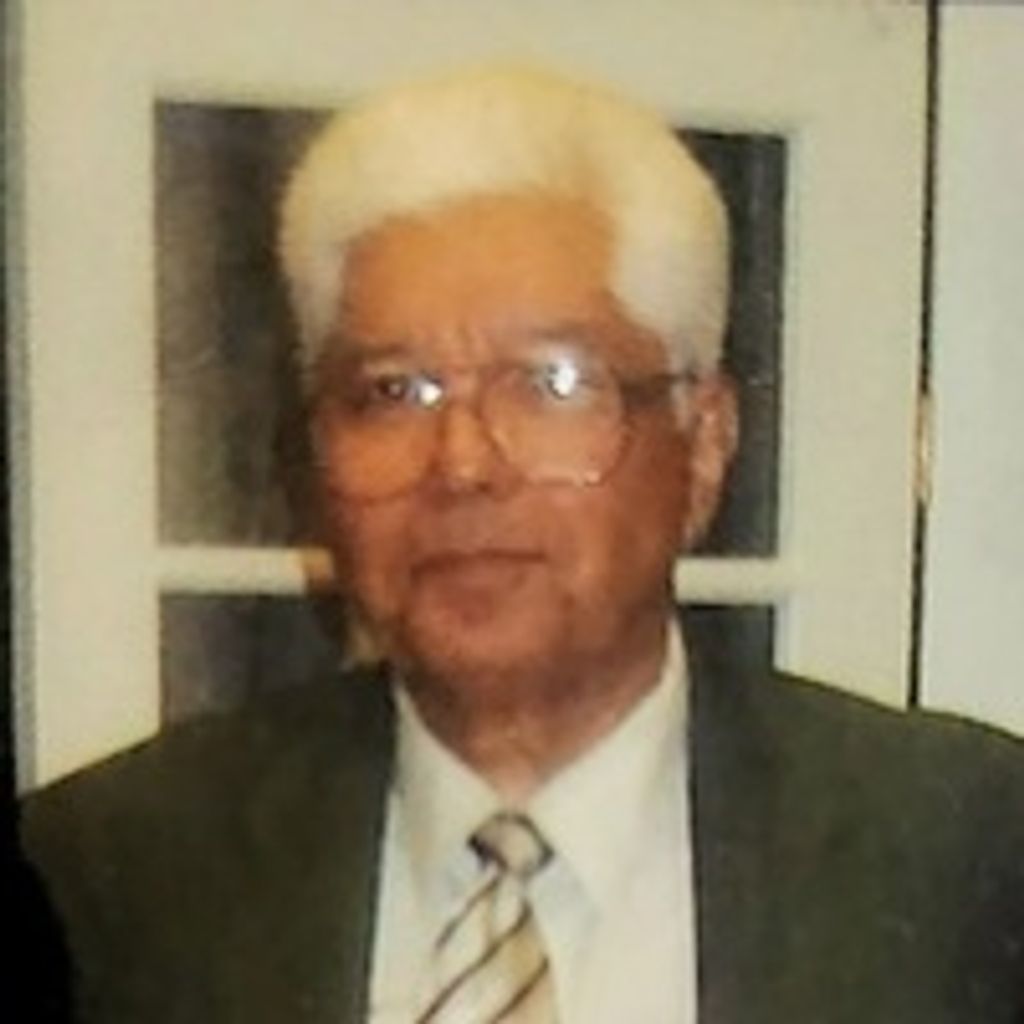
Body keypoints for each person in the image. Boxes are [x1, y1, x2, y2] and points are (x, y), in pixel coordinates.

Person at [20, 65, 1024, 1024]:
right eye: (392, 392)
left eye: (552, 384)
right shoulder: (109, 869)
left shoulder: (964, 851)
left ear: (705, 444)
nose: (461, 463)